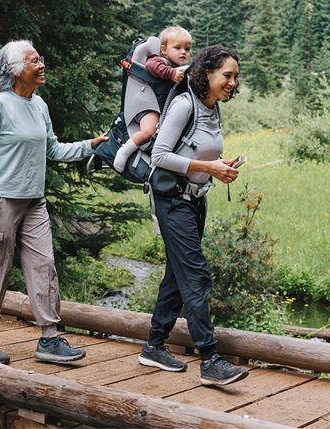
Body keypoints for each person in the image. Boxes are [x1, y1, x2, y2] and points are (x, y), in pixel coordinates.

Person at [0, 40, 108, 364]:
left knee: (44, 267)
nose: (41, 64)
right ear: (15, 70)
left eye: (40, 58)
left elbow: (53, 150)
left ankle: (49, 338)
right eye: (34, 61)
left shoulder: (39, 105)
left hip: (34, 202)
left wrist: (91, 145)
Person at [138, 45, 249, 386]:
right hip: (173, 201)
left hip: (196, 200)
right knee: (196, 276)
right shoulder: (185, 104)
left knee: (177, 274)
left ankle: (154, 346)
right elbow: (160, 154)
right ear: (208, 74)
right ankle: (210, 359)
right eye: (227, 75)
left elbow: (199, 153)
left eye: (235, 77)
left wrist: (219, 167)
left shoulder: (212, 109)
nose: (232, 82)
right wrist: (208, 167)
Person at [113, 26, 192, 172]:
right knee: (149, 130)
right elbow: (151, 66)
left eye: (187, 49)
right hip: (145, 104)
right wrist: (171, 73)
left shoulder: (180, 68)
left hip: (156, 106)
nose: (183, 52)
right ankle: (123, 152)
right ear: (163, 49)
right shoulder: (160, 60)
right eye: (178, 48)